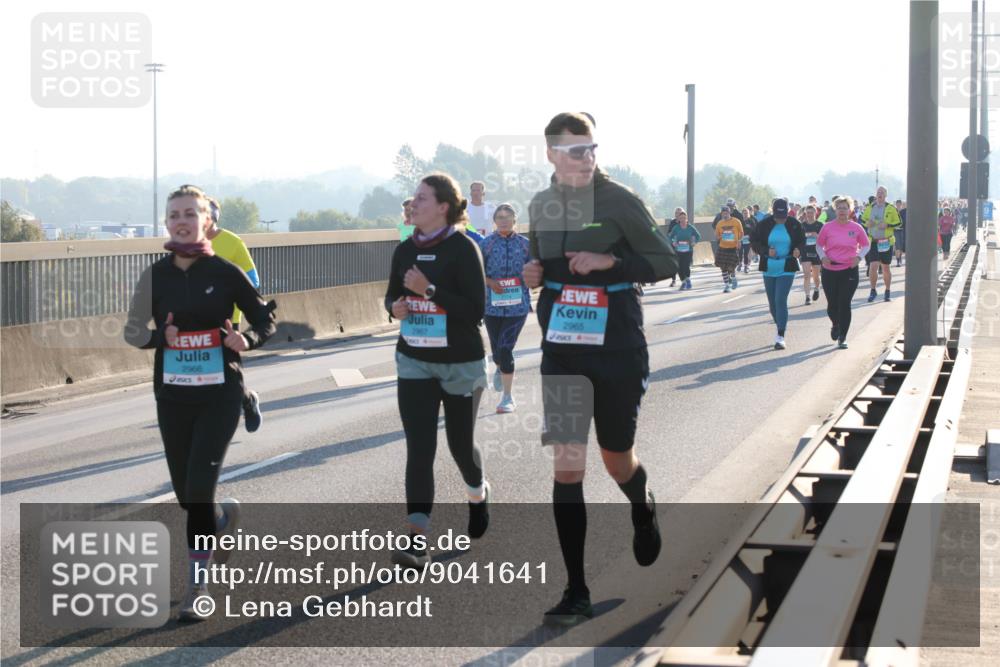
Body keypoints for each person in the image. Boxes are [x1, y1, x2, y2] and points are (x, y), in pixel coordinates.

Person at [523, 112, 677, 627]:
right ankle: (576, 590)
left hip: (617, 350)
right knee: (567, 468)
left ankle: (641, 505)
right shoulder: (541, 205)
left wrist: (612, 264)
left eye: (591, 148)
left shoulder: (619, 200)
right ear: (551, 154)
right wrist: (533, 272)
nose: (586, 157)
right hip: (563, 350)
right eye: (574, 150)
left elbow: (666, 262)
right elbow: (539, 261)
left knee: (617, 462)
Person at [124, 184, 277, 621]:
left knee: (199, 487)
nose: (182, 221)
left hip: (220, 394)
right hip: (173, 396)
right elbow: (132, 330)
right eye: (174, 214)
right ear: (166, 222)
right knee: (185, 495)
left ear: (206, 220)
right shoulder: (155, 274)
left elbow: (265, 317)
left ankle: (197, 586)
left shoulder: (226, 271)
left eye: (191, 213)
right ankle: (222, 519)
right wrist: (160, 338)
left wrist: (244, 338)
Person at [385, 173, 490, 569]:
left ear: (444, 206)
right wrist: (394, 307)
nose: (413, 204)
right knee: (420, 448)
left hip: (460, 363)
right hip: (414, 359)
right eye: (413, 198)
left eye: (422, 198)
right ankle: (416, 538)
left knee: (460, 446)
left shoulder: (463, 248)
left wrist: (429, 290)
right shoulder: (403, 250)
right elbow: (391, 295)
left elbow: (475, 310)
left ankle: (477, 493)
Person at [205, 197, 264, 433]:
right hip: (194, 321)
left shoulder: (232, 242)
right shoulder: (186, 245)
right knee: (199, 376)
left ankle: (247, 401)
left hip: (229, 320)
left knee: (227, 377)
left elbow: (253, 280)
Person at [479, 203, 531, 413]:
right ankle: (500, 367)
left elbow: (536, 269)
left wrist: (530, 278)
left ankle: (507, 397)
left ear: (514, 220)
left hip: (518, 307)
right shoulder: (486, 244)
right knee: (496, 349)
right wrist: (490, 283)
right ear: (494, 220)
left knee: (505, 347)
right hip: (492, 306)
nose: (503, 220)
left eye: (507, 216)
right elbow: (474, 271)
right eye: (499, 217)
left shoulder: (526, 244)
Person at [750, 198, 804, 350]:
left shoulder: (794, 224)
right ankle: (780, 321)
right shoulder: (764, 224)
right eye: (778, 216)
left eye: (784, 215)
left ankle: (780, 336)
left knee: (780, 299)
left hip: (787, 266)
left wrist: (798, 250)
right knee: (772, 304)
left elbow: (802, 241)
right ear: (773, 212)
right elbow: (754, 241)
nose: (781, 219)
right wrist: (766, 251)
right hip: (769, 266)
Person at [817, 196, 870, 349]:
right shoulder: (827, 227)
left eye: (845, 208)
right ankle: (835, 324)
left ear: (850, 210)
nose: (842, 211)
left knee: (844, 303)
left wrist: (859, 257)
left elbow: (866, 245)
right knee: (832, 305)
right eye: (839, 208)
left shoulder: (856, 228)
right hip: (830, 270)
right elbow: (819, 245)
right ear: (835, 210)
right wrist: (823, 257)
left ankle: (843, 337)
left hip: (849, 270)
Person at [860, 186, 902, 302]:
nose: (880, 194)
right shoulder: (870, 207)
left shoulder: (891, 208)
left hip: (886, 241)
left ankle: (887, 290)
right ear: (876, 195)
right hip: (873, 241)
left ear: (885, 195)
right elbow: (862, 219)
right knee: (873, 266)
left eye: (882, 192)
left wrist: (887, 225)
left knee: (885, 268)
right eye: (878, 192)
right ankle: (873, 290)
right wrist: (867, 223)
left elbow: (899, 223)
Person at [669, 210, 700, 289]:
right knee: (679, 267)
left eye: (684, 218)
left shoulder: (690, 227)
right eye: (681, 218)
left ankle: (688, 280)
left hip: (688, 250)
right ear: (679, 219)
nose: (682, 220)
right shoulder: (676, 228)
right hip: (678, 250)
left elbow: (698, 236)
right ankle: (683, 282)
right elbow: (670, 237)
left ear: (686, 219)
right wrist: (673, 242)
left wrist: (694, 242)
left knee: (686, 266)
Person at [714, 206, 743, 292]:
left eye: (726, 213)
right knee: (723, 267)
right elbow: (717, 236)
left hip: (733, 247)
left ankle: (733, 278)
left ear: (729, 213)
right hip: (723, 247)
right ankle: (726, 285)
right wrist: (719, 237)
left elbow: (741, 233)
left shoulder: (736, 222)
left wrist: (739, 241)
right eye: (723, 213)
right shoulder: (719, 224)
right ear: (721, 214)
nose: (725, 214)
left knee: (731, 267)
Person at [800, 204, 823, 305]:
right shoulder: (802, 225)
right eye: (808, 213)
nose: (809, 214)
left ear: (815, 213)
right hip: (805, 252)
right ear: (805, 213)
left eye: (811, 212)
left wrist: (816, 236)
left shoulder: (820, 225)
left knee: (816, 276)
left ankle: (817, 288)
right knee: (806, 275)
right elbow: (799, 240)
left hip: (816, 252)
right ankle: (807, 296)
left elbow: (824, 240)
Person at [739, 207, 755, 272]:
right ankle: (740, 263)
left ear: (748, 214)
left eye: (746, 213)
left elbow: (754, 230)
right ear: (742, 214)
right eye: (744, 213)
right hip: (740, 238)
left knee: (746, 253)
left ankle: (746, 266)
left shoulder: (751, 221)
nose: (745, 214)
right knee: (740, 252)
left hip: (748, 239)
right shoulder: (739, 221)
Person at [894, 199, 906, 266]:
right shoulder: (894, 211)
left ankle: (900, 258)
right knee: (897, 246)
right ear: (896, 204)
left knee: (901, 246)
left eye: (899, 204)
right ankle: (898, 261)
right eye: (897, 204)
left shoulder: (904, 211)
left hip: (902, 230)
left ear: (901, 204)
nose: (898, 205)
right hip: (895, 231)